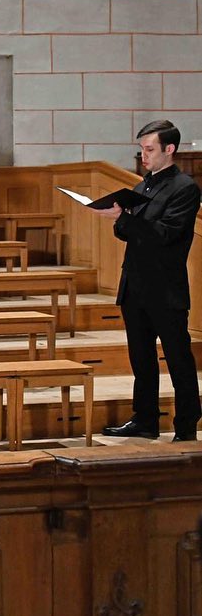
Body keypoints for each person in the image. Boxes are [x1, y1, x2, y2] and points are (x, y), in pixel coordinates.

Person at [98, 120, 201, 442]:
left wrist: (125, 219)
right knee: (141, 359)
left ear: (169, 150)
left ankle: (186, 424)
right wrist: (120, 219)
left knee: (178, 358)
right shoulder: (144, 185)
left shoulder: (185, 188)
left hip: (165, 287)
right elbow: (126, 233)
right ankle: (145, 420)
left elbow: (166, 234)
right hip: (135, 284)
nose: (143, 155)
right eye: (141, 149)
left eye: (150, 149)